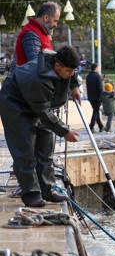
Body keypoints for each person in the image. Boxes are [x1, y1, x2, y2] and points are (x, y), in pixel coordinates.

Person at [0, 46, 81, 207]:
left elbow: (72, 72)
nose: (71, 73)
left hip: (37, 102)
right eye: (68, 71)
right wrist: (64, 131)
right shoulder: (36, 79)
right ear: (57, 66)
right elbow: (43, 112)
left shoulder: (61, 63)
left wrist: (74, 86)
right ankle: (31, 193)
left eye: (73, 70)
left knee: (46, 146)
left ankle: (48, 189)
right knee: (25, 150)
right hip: (15, 104)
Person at [13, 1, 60, 69]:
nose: (56, 25)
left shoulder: (41, 32)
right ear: (46, 17)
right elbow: (36, 64)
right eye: (55, 21)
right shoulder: (31, 33)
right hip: (28, 79)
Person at [85, 63, 105, 132]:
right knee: (95, 112)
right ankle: (91, 126)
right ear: (96, 68)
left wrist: (100, 79)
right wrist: (102, 96)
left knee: (95, 111)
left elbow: (92, 85)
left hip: (90, 97)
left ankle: (101, 126)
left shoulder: (88, 76)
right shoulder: (97, 76)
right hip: (97, 97)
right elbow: (99, 88)